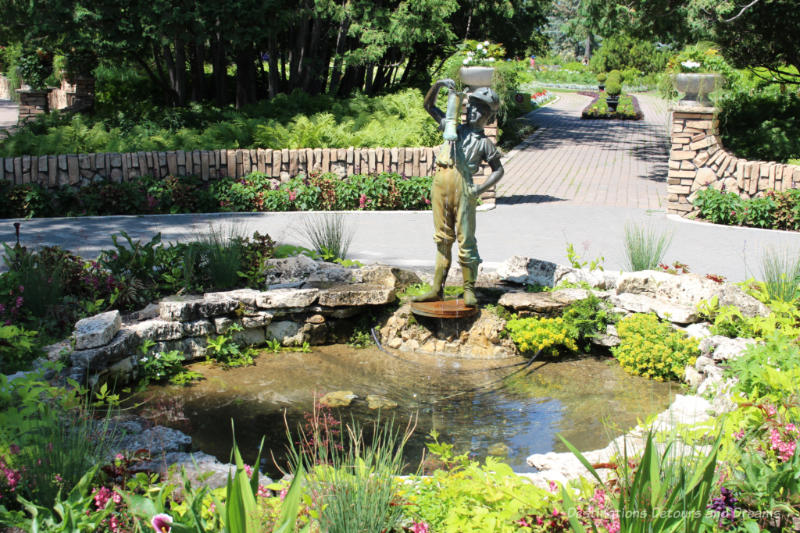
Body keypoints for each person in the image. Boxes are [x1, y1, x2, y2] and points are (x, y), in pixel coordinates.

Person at [413, 79, 504, 307]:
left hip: (464, 190)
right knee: (442, 240)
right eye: (472, 106)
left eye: (482, 110)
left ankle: (469, 289)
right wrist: (437, 86)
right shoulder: (451, 128)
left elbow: (498, 170)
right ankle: (436, 288)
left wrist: (478, 189)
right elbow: (428, 106)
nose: (474, 112)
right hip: (441, 186)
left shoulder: (484, 144)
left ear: (489, 118)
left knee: (466, 240)